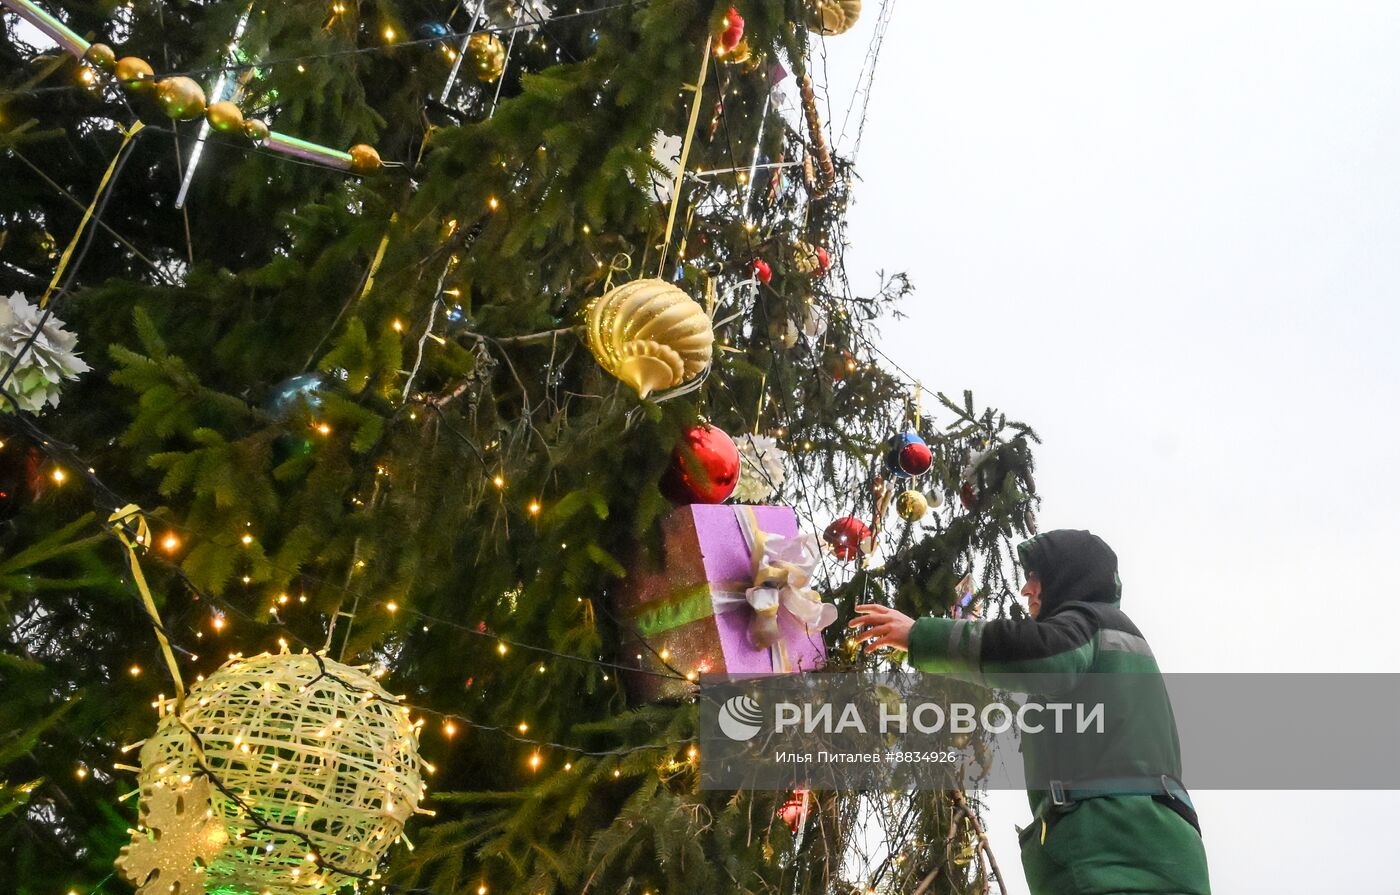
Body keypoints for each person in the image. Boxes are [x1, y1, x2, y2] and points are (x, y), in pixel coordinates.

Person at [849, 529, 1211, 895]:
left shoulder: (1091, 624)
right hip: (1139, 850)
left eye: (1038, 577)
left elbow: (1040, 655)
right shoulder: (1115, 650)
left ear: (1068, 576)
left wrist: (918, 636)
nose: (1027, 590)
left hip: (1118, 856)